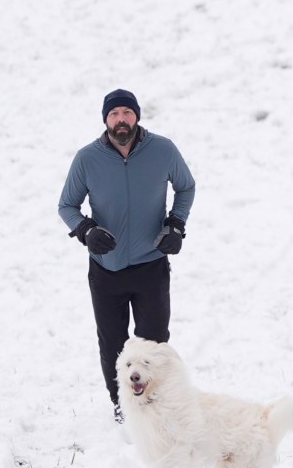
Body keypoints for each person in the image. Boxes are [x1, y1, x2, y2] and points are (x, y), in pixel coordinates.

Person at [58, 88, 196, 421]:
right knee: (114, 345)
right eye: (115, 114)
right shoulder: (87, 159)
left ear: (137, 116)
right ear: (106, 119)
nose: (122, 120)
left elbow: (186, 186)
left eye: (127, 113)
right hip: (106, 269)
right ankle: (123, 407)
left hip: (151, 265)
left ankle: (155, 403)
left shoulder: (162, 150)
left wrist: (175, 224)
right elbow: (67, 206)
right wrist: (87, 231)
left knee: (154, 344)